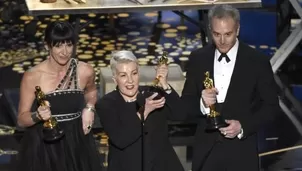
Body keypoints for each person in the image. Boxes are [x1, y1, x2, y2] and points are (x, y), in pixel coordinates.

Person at [181, 4, 280, 171]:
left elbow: (271, 107)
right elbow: (186, 104)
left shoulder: (257, 61)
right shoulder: (198, 59)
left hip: (241, 154)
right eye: (216, 34)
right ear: (209, 30)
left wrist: (243, 126)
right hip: (205, 154)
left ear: (238, 29)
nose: (222, 41)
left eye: (228, 34)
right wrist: (202, 104)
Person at [16, 21, 102, 171]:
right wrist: (37, 115)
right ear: (47, 46)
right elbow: (21, 120)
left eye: (69, 45)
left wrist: (89, 108)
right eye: (58, 45)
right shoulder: (32, 76)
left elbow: (91, 92)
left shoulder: (85, 71)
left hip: (76, 143)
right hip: (44, 147)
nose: (65, 51)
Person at [97, 50, 185, 171]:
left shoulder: (151, 93)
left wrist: (164, 84)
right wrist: (144, 111)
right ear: (115, 79)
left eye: (134, 73)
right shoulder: (107, 104)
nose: (130, 80)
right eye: (123, 75)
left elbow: (180, 114)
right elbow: (121, 139)